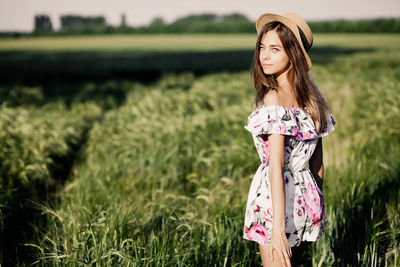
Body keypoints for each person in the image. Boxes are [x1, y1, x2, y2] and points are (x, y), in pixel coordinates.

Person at [242, 13, 336, 267]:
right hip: (307, 200)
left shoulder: (274, 99)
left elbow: (275, 167)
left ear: (293, 54)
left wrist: (277, 230)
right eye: (262, 47)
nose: (264, 56)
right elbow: (318, 166)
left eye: (275, 49)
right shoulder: (315, 102)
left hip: (277, 204)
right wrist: (314, 207)